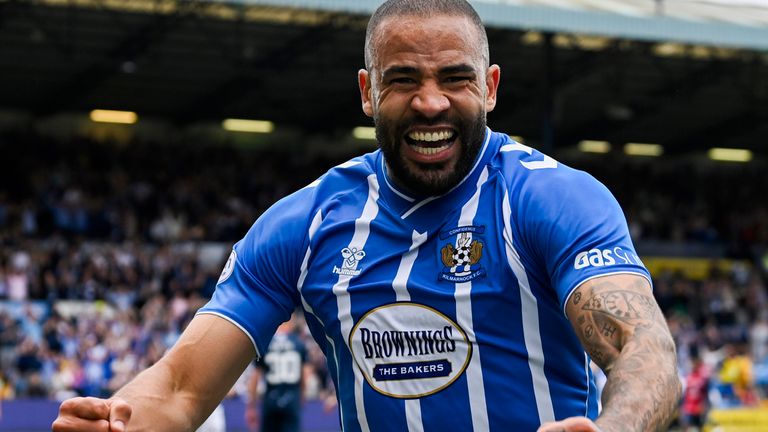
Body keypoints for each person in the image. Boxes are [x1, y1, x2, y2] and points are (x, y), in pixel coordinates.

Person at [52, 1, 682, 431]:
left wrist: (615, 426)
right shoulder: (304, 224)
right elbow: (181, 389)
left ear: (490, 87)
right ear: (367, 92)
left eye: (454, 79)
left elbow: (643, 346)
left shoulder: (550, 197)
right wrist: (117, 418)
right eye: (403, 79)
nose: (430, 102)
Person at [245, 312, 312, 432]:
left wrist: (251, 405)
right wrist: (302, 396)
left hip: (270, 399)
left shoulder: (266, 342)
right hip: (292, 398)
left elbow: (255, 377)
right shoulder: (299, 343)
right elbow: (305, 375)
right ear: (290, 321)